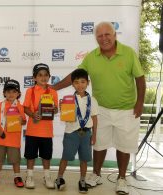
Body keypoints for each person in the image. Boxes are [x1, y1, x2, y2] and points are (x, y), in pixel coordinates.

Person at [53, 22, 146, 194]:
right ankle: (96, 175)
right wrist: (53, 88)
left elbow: (140, 79)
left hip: (127, 110)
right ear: (96, 38)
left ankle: (122, 179)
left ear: (114, 35)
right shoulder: (91, 57)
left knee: (124, 146)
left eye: (107, 34)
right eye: (100, 36)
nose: (104, 39)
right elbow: (75, 76)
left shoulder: (128, 53)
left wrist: (140, 102)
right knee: (99, 145)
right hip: (100, 108)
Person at [54, 69, 98, 193]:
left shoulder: (92, 100)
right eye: (77, 82)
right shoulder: (68, 99)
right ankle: (60, 178)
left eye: (83, 82)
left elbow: (95, 118)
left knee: (84, 159)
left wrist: (94, 135)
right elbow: (66, 116)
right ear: (72, 84)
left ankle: (82, 180)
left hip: (86, 133)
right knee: (65, 157)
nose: (80, 85)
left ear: (88, 83)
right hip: (71, 133)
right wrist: (63, 109)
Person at [23, 63, 58, 189]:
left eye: (46, 75)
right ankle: (30, 175)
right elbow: (25, 108)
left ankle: (47, 176)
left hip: (47, 131)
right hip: (32, 131)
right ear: (34, 78)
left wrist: (54, 109)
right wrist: (33, 115)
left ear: (49, 76)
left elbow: (56, 109)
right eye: (40, 75)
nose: (43, 78)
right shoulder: (30, 91)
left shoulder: (53, 92)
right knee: (30, 155)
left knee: (46, 156)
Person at [0, 79, 27, 188]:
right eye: (8, 92)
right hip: (1, 138)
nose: (11, 94)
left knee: (15, 160)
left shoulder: (20, 106)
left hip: (14, 140)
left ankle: (17, 176)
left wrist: (22, 120)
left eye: (14, 92)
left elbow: (24, 121)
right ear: (4, 93)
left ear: (18, 94)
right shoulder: (0, 105)